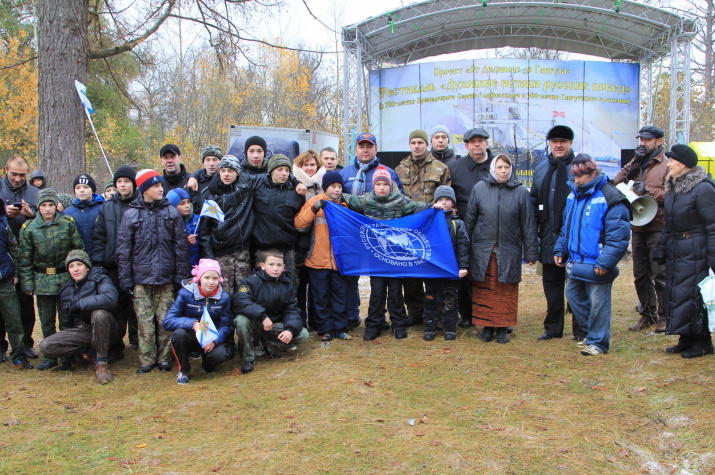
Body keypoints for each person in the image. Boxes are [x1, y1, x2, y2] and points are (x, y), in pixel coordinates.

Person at [343, 166, 437, 340]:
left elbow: (419, 207)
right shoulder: (365, 200)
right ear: (374, 186)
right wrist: (327, 199)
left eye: (384, 184)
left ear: (390, 185)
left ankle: (399, 324)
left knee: (395, 291)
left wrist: (434, 207)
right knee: (377, 291)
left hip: (394, 256)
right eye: (378, 184)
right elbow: (345, 198)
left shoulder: (400, 201)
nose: (381, 188)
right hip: (375, 256)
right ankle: (374, 324)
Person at [554, 154, 630, 356]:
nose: (577, 180)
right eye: (575, 176)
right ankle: (593, 333)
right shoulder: (573, 195)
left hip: (598, 262)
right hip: (576, 261)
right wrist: (560, 249)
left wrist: (605, 262)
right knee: (573, 295)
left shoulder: (610, 196)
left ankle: (598, 342)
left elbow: (619, 235)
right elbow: (566, 227)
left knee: (598, 304)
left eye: (582, 176)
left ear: (594, 173)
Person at [116, 169, 190, 374]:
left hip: (166, 279)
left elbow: (181, 248)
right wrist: (126, 280)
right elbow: (124, 250)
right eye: (156, 186)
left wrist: (179, 277)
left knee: (165, 320)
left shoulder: (171, 213)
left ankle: (165, 358)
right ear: (144, 189)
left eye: (160, 185)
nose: (161, 189)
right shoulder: (131, 214)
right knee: (144, 322)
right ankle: (147, 360)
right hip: (140, 280)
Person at [465, 155, 539, 343]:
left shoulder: (521, 192)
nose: (503, 171)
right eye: (499, 167)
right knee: (485, 289)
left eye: (507, 167)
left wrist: (531, 252)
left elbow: (528, 224)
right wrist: (464, 249)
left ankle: (503, 327)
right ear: (493, 169)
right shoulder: (479, 189)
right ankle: (487, 327)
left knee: (505, 289)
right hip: (483, 250)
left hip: (509, 249)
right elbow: (470, 221)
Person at [654, 145, 715, 358]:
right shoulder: (674, 188)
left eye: (671, 160)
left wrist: (713, 258)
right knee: (679, 294)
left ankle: (703, 342)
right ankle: (685, 338)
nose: (668, 164)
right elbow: (668, 223)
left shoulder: (703, 188)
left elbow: (713, 225)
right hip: (677, 249)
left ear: (682, 164)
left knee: (695, 297)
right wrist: (661, 248)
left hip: (696, 250)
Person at [530, 125, 586, 342]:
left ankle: (580, 330)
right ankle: (553, 328)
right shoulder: (541, 169)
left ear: (571, 143)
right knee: (551, 286)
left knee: (577, 286)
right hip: (549, 236)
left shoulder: (580, 168)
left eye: (563, 141)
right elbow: (534, 202)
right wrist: (534, 234)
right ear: (549, 144)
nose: (559, 145)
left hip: (575, 237)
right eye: (554, 141)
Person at [19, 188, 85, 370]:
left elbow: (78, 250)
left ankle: (71, 353)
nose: (48, 209)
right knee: (47, 320)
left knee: (68, 318)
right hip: (42, 280)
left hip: (65, 278)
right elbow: (24, 260)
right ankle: (50, 356)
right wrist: (28, 285)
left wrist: (78, 275)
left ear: (56, 205)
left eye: (51, 205)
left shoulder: (67, 224)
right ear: (38, 207)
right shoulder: (29, 229)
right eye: (43, 205)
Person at [615, 126, 669, 333]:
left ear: (659, 141)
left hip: (657, 224)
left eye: (647, 140)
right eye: (641, 140)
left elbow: (670, 193)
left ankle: (665, 317)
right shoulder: (638, 163)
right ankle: (648, 314)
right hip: (638, 225)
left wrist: (649, 190)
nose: (643, 143)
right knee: (641, 275)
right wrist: (634, 163)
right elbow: (617, 182)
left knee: (660, 274)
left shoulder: (666, 165)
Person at [395, 129, 451, 327]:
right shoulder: (400, 169)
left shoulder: (440, 168)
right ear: (410, 145)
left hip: (431, 229)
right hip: (408, 229)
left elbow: (447, 198)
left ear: (427, 144)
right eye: (413, 143)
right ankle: (415, 312)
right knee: (410, 274)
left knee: (433, 273)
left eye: (420, 142)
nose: (417, 146)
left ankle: (437, 313)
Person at [37, 250, 118, 383]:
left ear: (87, 266)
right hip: (84, 332)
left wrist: (81, 304)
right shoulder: (66, 289)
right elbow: (66, 324)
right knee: (45, 346)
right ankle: (89, 352)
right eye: (71, 266)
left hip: (107, 328)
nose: (75, 269)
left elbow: (110, 298)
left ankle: (101, 364)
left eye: (79, 264)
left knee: (99, 314)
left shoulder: (101, 278)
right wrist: (66, 361)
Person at [295, 171, 352, 341]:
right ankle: (324, 329)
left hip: (338, 262)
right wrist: (314, 209)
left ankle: (340, 328)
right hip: (316, 261)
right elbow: (299, 224)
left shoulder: (344, 205)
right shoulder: (314, 202)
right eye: (333, 186)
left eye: (339, 186)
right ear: (326, 187)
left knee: (339, 296)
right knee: (320, 297)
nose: (336, 190)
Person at [233, 249, 310, 374]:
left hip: (274, 325)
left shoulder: (288, 286)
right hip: (255, 323)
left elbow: (292, 311)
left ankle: (269, 346)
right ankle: (248, 358)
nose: (275, 269)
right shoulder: (250, 281)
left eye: (279, 265)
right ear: (262, 266)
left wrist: (290, 330)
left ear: (284, 267)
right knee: (241, 320)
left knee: (303, 334)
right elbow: (240, 301)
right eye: (271, 264)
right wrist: (262, 316)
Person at [448, 128, 494, 329]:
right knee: (464, 273)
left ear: (486, 144)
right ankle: (466, 314)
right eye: (473, 142)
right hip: (464, 229)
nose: (477, 145)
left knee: (489, 274)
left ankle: (491, 314)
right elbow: (448, 195)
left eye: (481, 141)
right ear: (466, 146)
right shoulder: (455, 168)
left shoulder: (498, 166)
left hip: (491, 230)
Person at [93, 165, 139, 351]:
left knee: (134, 308)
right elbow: (99, 237)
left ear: (134, 184)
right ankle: (116, 344)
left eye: (126, 181)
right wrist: (98, 263)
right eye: (119, 182)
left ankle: (137, 342)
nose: (122, 185)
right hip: (113, 265)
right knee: (116, 306)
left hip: (136, 266)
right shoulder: (107, 207)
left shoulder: (140, 204)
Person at [163, 259, 232, 384]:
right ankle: (183, 370)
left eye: (215, 278)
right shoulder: (185, 293)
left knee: (221, 354)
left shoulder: (224, 297)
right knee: (178, 335)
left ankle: (207, 365)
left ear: (219, 279)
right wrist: (193, 323)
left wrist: (215, 340)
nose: (211, 282)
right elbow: (168, 321)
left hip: (209, 337)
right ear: (199, 278)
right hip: (189, 335)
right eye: (207, 277)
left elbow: (225, 326)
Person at [0, 156, 39, 360]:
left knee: (25, 301)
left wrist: (31, 214)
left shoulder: (34, 192)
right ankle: (1, 346)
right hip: (2, 255)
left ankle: (26, 343)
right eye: (13, 174)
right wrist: (3, 213)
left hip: (26, 255)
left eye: (21, 175)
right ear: (6, 169)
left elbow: (46, 219)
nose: (17, 178)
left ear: (28, 173)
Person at [252, 154, 306, 289]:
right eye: (280, 169)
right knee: (260, 288)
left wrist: (300, 249)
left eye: (287, 170)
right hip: (263, 248)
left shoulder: (296, 193)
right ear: (271, 171)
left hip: (287, 250)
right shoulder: (258, 186)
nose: (284, 173)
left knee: (289, 287)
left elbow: (302, 222)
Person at [423, 186, 469, 341]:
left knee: (450, 299)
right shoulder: (428, 221)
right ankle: (430, 327)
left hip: (450, 270)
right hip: (432, 270)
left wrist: (463, 266)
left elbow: (463, 247)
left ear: (452, 203)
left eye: (447, 200)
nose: (444, 203)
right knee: (431, 299)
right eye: (440, 200)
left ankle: (450, 328)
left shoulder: (458, 224)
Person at [0, 201, 31, 369]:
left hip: (4, 281)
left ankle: (18, 355)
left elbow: (13, 249)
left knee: (13, 319)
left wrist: (16, 273)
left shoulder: (3, 224)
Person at [62, 174, 105, 260]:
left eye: (85, 187)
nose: (82, 190)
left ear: (92, 190)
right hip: (77, 262)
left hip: (100, 259)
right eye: (78, 188)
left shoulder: (103, 209)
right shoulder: (68, 213)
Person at [167, 188, 200, 268]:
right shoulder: (167, 222)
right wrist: (185, 242)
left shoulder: (198, 220)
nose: (187, 206)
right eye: (182, 203)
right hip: (175, 267)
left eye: (188, 202)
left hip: (195, 266)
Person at [186, 144, 223, 212]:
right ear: (203, 162)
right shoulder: (193, 183)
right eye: (207, 160)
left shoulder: (226, 182)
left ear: (220, 161)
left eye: (215, 160)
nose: (211, 163)